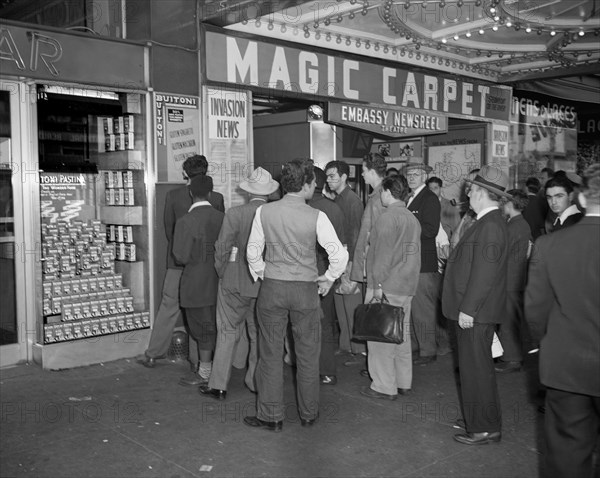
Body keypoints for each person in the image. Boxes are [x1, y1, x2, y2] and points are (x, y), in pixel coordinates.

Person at [244, 158, 348, 432]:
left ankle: (271, 416)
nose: (316, 187)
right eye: (314, 182)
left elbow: (253, 252)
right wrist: (328, 278)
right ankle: (308, 414)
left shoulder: (264, 212)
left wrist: (265, 273)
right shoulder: (317, 216)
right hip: (305, 291)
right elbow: (339, 254)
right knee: (307, 355)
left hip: (273, 290)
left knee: (269, 353)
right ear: (304, 185)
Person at [525, 163, 600, 478]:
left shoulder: (548, 245)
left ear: (581, 199)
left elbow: (535, 310)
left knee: (567, 456)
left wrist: (544, 341)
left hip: (566, 366)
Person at [442, 165, 509, 446]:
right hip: (476, 311)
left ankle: (484, 428)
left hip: (475, 312)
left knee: (476, 368)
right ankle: (477, 417)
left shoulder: (490, 224)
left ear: (482, 193)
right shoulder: (487, 221)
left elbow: (485, 273)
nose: (468, 194)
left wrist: (468, 309)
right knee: (474, 367)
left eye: (471, 190)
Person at [199, 167, 279, 400]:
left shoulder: (235, 213)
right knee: (258, 334)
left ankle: (219, 385)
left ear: (248, 192)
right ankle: (254, 381)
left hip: (233, 281)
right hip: (264, 282)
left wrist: (222, 271)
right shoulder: (274, 213)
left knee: (226, 332)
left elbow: (222, 247)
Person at [140, 154, 224, 369]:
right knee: (203, 310)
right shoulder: (217, 198)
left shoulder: (174, 196)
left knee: (169, 306)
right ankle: (199, 362)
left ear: (185, 173)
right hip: (205, 266)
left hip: (177, 263)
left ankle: (153, 353)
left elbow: (170, 230)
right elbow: (220, 234)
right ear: (206, 172)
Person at [359, 175, 421, 400]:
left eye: (382, 191)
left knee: (380, 338)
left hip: (388, 286)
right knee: (400, 336)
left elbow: (381, 256)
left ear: (387, 191)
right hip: (407, 286)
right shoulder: (412, 219)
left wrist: (377, 287)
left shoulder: (386, 218)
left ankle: (384, 386)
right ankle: (404, 382)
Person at [172, 175, 224, 387]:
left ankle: (204, 371)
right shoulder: (222, 217)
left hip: (195, 283)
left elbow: (180, 256)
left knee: (202, 329)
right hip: (220, 282)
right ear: (210, 194)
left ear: (191, 193)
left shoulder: (185, 221)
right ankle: (215, 367)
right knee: (215, 326)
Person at [307, 167, 345, 386]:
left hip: (307, 273)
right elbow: (342, 243)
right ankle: (328, 371)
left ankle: (306, 368)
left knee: (304, 324)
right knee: (327, 322)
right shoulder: (335, 209)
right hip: (329, 273)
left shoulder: (306, 209)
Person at [325, 160, 365, 365]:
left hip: (348, 258)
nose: (328, 180)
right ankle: (346, 344)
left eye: (332, 176)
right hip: (339, 258)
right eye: (327, 176)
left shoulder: (352, 200)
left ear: (343, 177)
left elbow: (357, 235)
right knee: (341, 304)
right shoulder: (338, 199)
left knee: (351, 305)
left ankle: (358, 350)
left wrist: (351, 264)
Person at [404, 162, 441, 365]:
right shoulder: (409, 198)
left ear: (425, 177)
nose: (411, 177)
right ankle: (417, 347)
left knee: (423, 309)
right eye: (409, 174)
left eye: (416, 174)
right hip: (411, 262)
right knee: (413, 309)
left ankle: (428, 351)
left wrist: (407, 228)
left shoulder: (429, 198)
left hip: (423, 263)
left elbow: (430, 230)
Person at [495, 190, 532, 373]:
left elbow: (501, 252)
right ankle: (512, 355)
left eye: (503, 202)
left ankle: (512, 358)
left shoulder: (513, 226)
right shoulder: (522, 224)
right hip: (517, 278)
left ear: (509, 204)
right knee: (511, 319)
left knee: (508, 320)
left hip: (509, 279)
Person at [427, 176, 460, 242]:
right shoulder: (424, 205)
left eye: (435, 188)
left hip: (444, 246)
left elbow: (457, 230)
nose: (432, 191)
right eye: (430, 189)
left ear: (440, 188)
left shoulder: (449, 206)